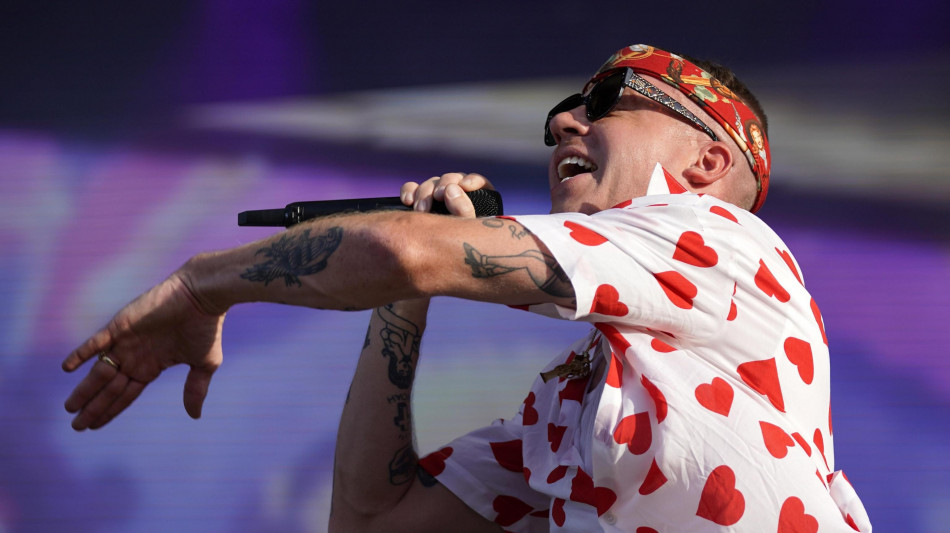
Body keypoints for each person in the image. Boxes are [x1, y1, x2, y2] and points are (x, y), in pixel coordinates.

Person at [62, 44, 871, 532]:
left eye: (607, 101)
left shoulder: (721, 244)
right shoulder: (579, 403)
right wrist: (405, 297)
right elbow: (371, 522)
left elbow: (404, 252)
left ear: (706, 162)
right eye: (562, 114)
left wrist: (205, 284)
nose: (564, 125)